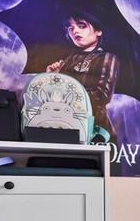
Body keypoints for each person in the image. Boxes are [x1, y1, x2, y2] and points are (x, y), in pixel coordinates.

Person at [46, 10, 119, 141]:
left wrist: (64, 94)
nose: (74, 31)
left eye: (81, 25)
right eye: (70, 28)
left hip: (96, 130)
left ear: (98, 31)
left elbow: (101, 96)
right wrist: (52, 79)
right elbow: (51, 100)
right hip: (65, 126)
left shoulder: (107, 58)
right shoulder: (66, 61)